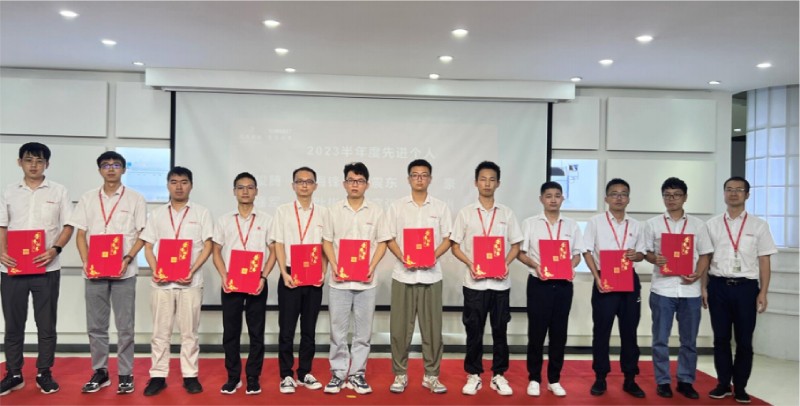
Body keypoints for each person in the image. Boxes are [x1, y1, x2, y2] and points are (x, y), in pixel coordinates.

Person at [68, 151, 147, 394]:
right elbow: (80, 234)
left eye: (116, 165)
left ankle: (125, 373)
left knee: (125, 326)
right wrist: (86, 261)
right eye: (105, 165)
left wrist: (128, 258)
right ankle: (100, 372)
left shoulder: (135, 198)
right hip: (94, 272)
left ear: (123, 169)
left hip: (124, 271)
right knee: (96, 326)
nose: (111, 169)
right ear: (99, 170)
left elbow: (142, 234)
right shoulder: (88, 198)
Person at [0, 142, 73, 397]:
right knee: (13, 324)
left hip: (47, 267)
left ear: (47, 164)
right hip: (13, 268)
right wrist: (1, 252)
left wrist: (55, 250)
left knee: (46, 324)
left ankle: (44, 372)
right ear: (19, 162)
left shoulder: (59, 191)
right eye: (29, 160)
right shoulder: (9, 191)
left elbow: (68, 225)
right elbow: (2, 226)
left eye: (39, 161)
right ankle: (14, 373)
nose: (34, 165)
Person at [139, 166, 213, 396]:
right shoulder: (157, 214)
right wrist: (156, 270)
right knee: (160, 332)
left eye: (183, 182)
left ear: (191, 185)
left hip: (190, 282)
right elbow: (148, 246)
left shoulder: (201, 213)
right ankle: (158, 376)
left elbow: (208, 245)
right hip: (161, 283)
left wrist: (192, 270)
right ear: (167, 185)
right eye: (174, 182)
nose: (179, 187)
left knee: (189, 332)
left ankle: (190, 376)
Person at [450, 161, 522, 397]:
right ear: (475, 183)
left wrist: (505, 263)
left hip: (500, 284)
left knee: (500, 330)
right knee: (474, 330)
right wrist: (470, 264)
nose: (487, 183)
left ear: (498, 183)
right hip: (474, 284)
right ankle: (474, 374)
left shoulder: (507, 213)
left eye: (492, 179)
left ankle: (499, 375)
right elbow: (455, 246)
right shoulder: (466, 213)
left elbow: (516, 244)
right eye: (483, 179)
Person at [704, 176, 777, 404]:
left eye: (739, 189)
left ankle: (741, 387)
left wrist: (763, 292)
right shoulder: (712, 224)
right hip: (718, 286)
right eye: (729, 189)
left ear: (747, 194)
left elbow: (764, 260)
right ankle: (723, 384)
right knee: (721, 339)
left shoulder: (759, 225)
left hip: (746, 288)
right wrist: (704, 287)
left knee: (744, 340)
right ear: (724, 193)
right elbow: (705, 258)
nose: (733, 193)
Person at [322, 162, 390, 395]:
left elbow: (382, 242)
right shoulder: (333, 210)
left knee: (363, 332)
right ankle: (338, 373)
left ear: (367, 185)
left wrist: (371, 266)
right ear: (344, 183)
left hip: (366, 282)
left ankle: (357, 374)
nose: (355, 185)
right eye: (351, 180)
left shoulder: (376, 211)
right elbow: (327, 241)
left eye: (360, 181)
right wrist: (334, 265)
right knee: (337, 330)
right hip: (339, 282)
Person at [386, 159, 452, 394]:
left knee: (432, 330)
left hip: (431, 276)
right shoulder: (397, 207)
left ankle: (431, 375)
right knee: (399, 329)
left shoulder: (440, 207)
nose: (419, 179)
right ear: (409, 179)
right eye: (415, 175)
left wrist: (433, 255)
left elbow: (448, 238)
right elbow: (389, 237)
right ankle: (400, 374)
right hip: (403, 275)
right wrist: (402, 256)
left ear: (430, 179)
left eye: (424, 175)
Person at [643, 177, 713, 400]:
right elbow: (646, 252)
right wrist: (655, 259)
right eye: (667, 195)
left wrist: (698, 275)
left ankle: (685, 381)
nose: (671, 199)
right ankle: (663, 381)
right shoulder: (652, 224)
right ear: (662, 197)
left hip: (690, 291)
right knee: (660, 340)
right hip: (662, 290)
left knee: (689, 340)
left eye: (676, 195)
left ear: (685, 197)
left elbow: (705, 254)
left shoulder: (698, 225)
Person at [516, 181, 583, 398]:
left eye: (557, 195)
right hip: (539, 284)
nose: (553, 199)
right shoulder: (530, 223)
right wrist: (536, 265)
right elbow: (520, 253)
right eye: (548, 196)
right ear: (541, 199)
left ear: (563, 198)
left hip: (563, 285)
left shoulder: (571, 225)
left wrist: (570, 266)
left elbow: (577, 255)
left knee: (559, 334)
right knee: (536, 333)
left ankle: (554, 379)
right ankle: (534, 378)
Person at [211, 172, 276, 395]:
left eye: (250, 187)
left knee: (256, 332)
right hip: (231, 281)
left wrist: (263, 277)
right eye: (241, 187)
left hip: (256, 281)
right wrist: (223, 276)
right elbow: (216, 251)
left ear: (256, 191)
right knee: (231, 332)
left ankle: (253, 377)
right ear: (234, 191)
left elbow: (274, 251)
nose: (245, 191)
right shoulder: (224, 220)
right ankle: (233, 377)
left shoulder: (267, 220)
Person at [583, 178, 647, 398]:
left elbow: (642, 253)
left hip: (629, 280)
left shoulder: (637, 225)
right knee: (601, 331)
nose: (619, 198)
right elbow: (586, 251)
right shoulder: (595, 222)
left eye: (623, 194)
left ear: (628, 198)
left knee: (629, 331)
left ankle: (630, 378)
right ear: (606, 198)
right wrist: (596, 277)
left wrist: (636, 255)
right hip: (605, 279)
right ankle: (600, 377)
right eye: (614, 194)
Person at [270, 167, 329, 394]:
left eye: (309, 181)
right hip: (290, 275)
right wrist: (283, 273)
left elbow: (325, 244)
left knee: (309, 328)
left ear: (316, 186)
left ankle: (305, 372)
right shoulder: (283, 211)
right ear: (293, 185)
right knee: (286, 328)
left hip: (314, 276)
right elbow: (278, 243)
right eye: (300, 181)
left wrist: (323, 272)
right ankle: (286, 374)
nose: (304, 185)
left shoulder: (323, 212)